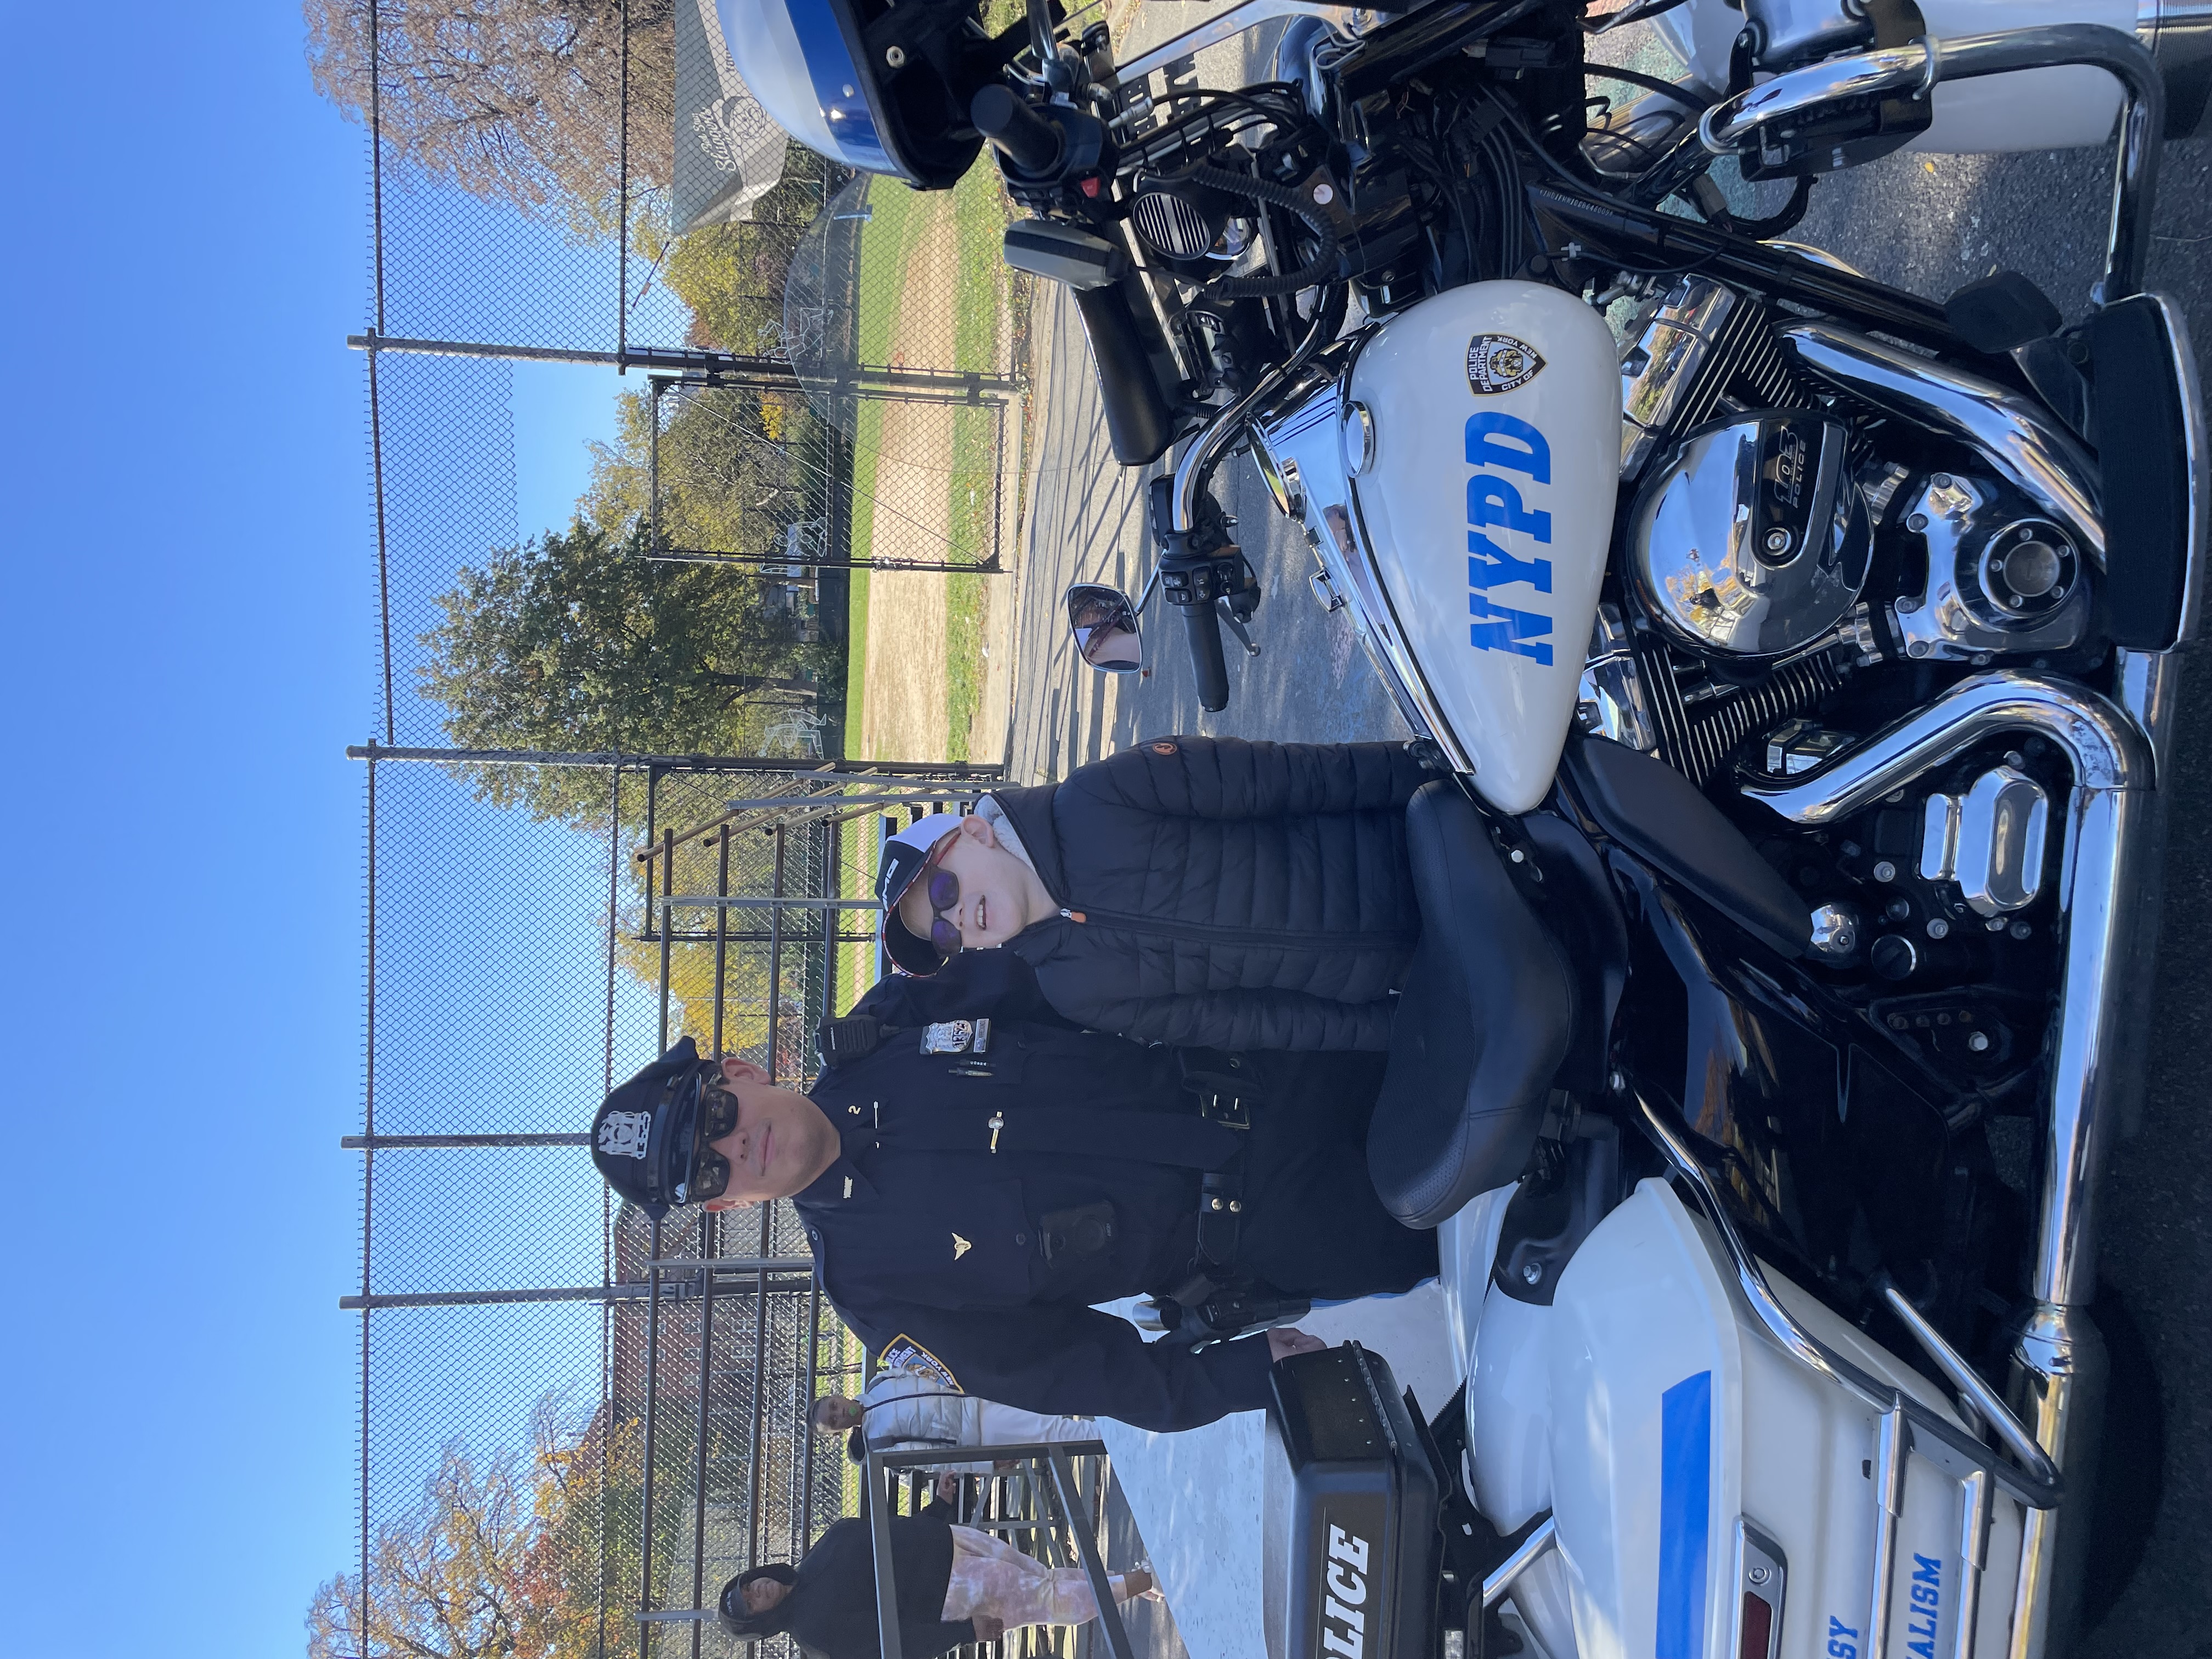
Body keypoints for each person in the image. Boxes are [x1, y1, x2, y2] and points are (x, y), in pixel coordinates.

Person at [590, 1029, 1436, 1431]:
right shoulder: (881, 1300)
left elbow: (1070, 962)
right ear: (727, 1205)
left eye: (716, 1115)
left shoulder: (883, 1029)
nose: (736, 1146)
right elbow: (1082, 1375)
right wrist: (1246, 1373)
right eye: (710, 1171)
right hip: (1288, 1230)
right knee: (1509, 1217)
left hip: (1289, 1066)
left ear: (739, 1072)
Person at [874, 735, 1430, 1051]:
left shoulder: (1098, 797)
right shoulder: (1073, 991)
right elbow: (1255, 1022)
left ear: (975, 832)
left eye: (944, 890)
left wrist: (1433, 774)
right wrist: (1400, 1028)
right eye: (945, 935)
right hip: (1408, 977)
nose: (958, 922)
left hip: (1422, 847)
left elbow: (1291, 778)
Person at [714, 1511, 1157, 1659]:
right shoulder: (814, 1632)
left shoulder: (816, 1556)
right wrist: (964, 1634)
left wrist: (939, 1507)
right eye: (751, 1604)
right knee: (1049, 1600)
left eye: (748, 1586)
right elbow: (894, 1642)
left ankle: (1136, 1582)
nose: (758, 1591)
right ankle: (1146, 1580)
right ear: (761, 1621)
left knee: (1043, 1579)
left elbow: (889, 1535)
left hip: (950, 1541)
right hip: (951, 1590)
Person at [811, 1358, 1096, 1476]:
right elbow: (933, 1460)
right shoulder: (878, 1443)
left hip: (978, 1390)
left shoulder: (879, 1382)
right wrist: (985, 1463)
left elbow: (923, 1366)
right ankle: (1108, 1439)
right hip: (978, 1428)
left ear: (836, 1396)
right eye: (833, 1421)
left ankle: (1108, 1401)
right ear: (838, 1432)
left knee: (1047, 1390)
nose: (839, 1413)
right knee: (1051, 1431)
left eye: (833, 1406)